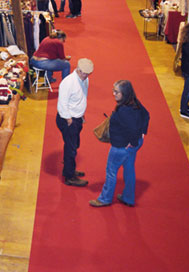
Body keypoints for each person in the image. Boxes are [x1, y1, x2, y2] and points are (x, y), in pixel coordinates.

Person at [90, 80, 150, 207]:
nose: (113, 94)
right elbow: (146, 115)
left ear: (125, 93)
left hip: (122, 146)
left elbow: (133, 129)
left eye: (117, 92)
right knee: (129, 169)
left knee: (111, 171)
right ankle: (128, 198)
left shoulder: (124, 110)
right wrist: (142, 133)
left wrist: (133, 142)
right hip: (134, 144)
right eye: (114, 90)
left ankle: (105, 199)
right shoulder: (135, 102)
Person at [56, 58, 94, 186]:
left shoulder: (85, 80)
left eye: (88, 74)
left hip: (77, 118)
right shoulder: (68, 83)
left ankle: (69, 168)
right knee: (71, 148)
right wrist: (69, 120)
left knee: (74, 145)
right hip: (68, 120)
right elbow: (62, 104)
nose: (86, 76)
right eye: (84, 74)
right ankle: (69, 176)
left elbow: (83, 96)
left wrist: (82, 114)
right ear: (78, 70)